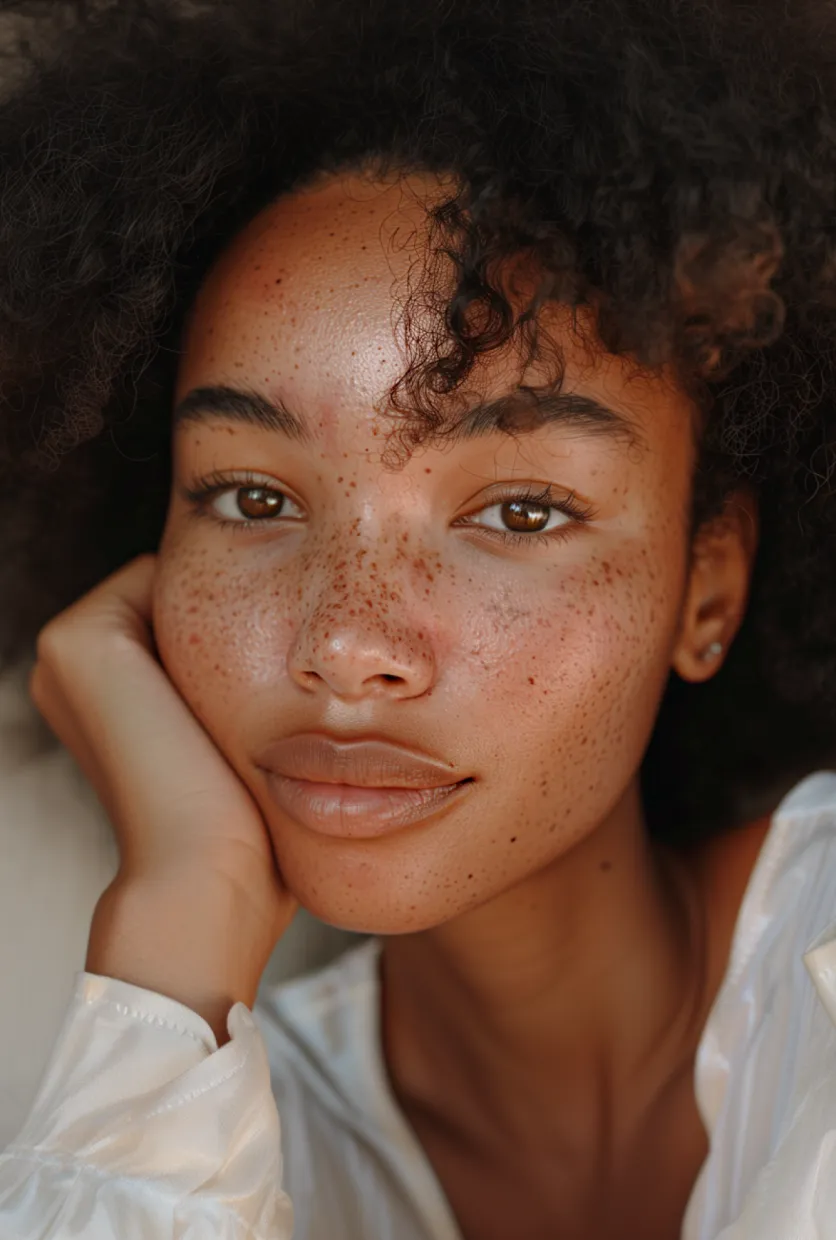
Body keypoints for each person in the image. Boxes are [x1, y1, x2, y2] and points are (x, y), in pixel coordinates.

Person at [1, 0, 836, 1236]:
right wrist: (173, 940)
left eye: (518, 513)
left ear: (704, 584)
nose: (345, 641)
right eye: (253, 495)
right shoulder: (182, 1127)